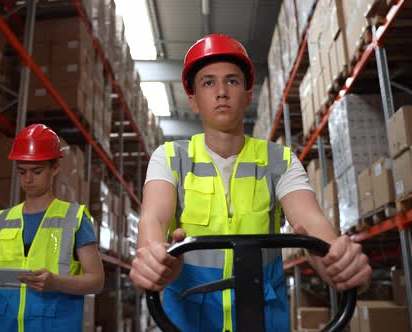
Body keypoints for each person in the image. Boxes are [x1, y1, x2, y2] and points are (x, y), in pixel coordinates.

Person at [129, 34, 371, 331]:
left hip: (264, 320)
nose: (221, 92)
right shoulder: (170, 158)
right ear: (193, 100)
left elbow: (311, 222)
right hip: (188, 324)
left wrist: (339, 263)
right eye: (208, 82)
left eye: (232, 81)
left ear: (247, 94)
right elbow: (152, 219)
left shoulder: (278, 160)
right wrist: (153, 259)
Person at [0, 123, 104, 331]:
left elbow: (96, 281)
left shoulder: (74, 218)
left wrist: (56, 283)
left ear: (56, 167)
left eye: (37, 171)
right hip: (4, 325)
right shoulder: (0, 220)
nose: (28, 179)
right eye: (22, 171)